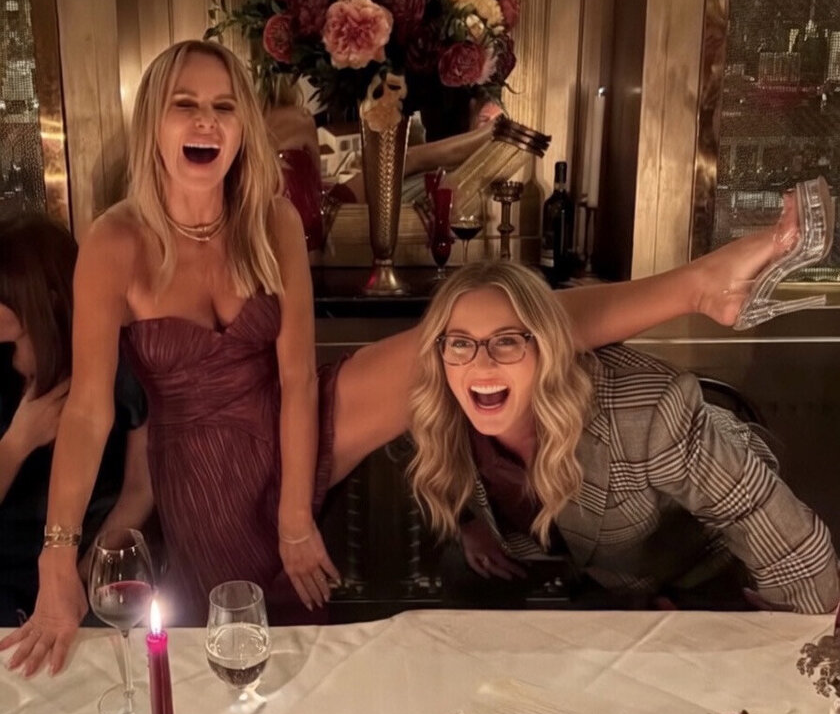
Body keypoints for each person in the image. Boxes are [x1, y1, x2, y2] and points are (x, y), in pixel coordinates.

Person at [0, 35, 810, 676]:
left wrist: (295, 517)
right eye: (185, 105)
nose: (206, 122)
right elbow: (90, 410)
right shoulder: (115, 241)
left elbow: (294, 378)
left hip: (293, 421)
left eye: (223, 106)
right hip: (201, 470)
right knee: (246, 647)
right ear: (154, 123)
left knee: (479, 326)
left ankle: (699, 286)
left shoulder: (270, 218)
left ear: (243, 127)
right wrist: (57, 559)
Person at [403, 260, 839, 614]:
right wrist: (469, 523)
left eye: (507, 341)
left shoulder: (646, 411)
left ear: (546, 348)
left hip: (704, 574)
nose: (480, 365)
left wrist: (791, 642)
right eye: (460, 343)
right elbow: (420, 452)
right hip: (597, 576)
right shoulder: (437, 405)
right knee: (461, 572)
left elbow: (776, 533)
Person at [0, 214, 152, 625]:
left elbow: (140, 490)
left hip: (93, 562)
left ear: (46, 298)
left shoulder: (117, 365)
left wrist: (81, 576)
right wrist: (16, 443)